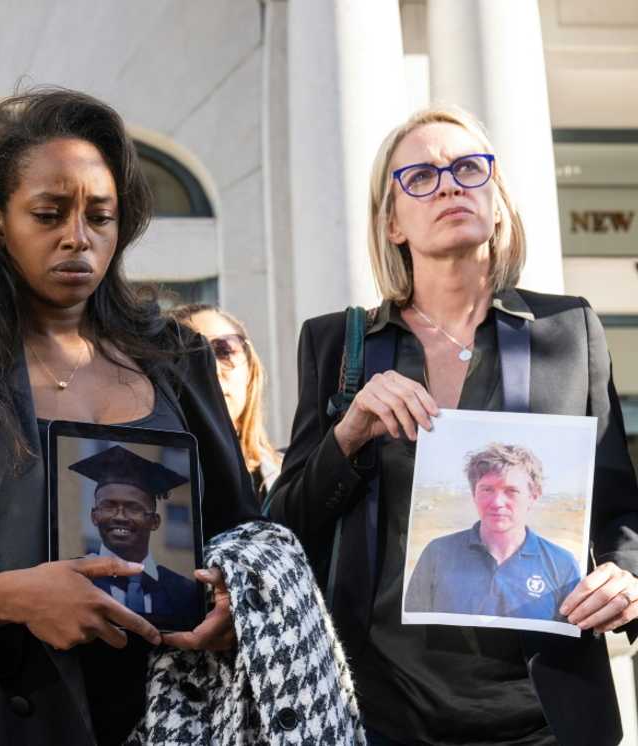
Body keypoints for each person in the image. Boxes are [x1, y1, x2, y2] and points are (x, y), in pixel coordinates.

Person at [0, 88, 260, 746]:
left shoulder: (179, 357)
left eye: (100, 217)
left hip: (171, 719)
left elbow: (242, 533)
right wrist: (9, 598)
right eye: (49, 214)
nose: (77, 237)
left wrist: (232, 606)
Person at [265, 104, 638, 745]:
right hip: (383, 709)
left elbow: (618, 510)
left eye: (468, 169)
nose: (448, 185)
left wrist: (629, 576)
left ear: (497, 203)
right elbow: (286, 523)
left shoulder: (569, 329)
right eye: (421, 177)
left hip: (545, 707)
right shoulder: (339, 343)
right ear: (391, 222)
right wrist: (349, 432)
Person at [405, 443, 581, 620]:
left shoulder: (562, 565)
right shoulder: (437, 553)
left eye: (511, 490)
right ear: (474, 494)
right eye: (487, 489)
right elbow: (412, 634)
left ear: (533, 496)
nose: (497, 502)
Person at [70, 445, 198, 623]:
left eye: (133, 508)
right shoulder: (71, 580)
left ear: (154, 522)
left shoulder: (185, 593)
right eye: (108, 506)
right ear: (94, 516)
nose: (120, 517)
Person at [170, 304, 283, 501]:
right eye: (193, 356)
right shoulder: (158, 482)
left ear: (251, 370)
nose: (212, 368)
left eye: (224, 350)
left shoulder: (291, 475)